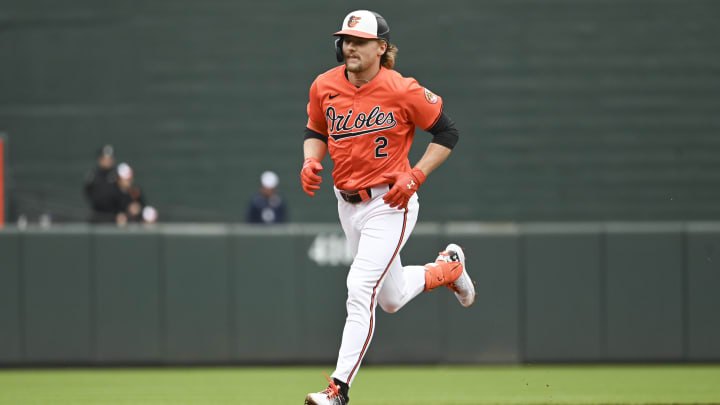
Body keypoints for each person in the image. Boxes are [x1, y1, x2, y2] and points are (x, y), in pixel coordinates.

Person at [300, 10, 476, 405]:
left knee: (359, 287)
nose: (350, 47)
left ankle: (337, 390)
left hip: (390, 201)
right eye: (346, 40)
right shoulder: (324, 85)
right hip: (346, 202)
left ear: (382, 47)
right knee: (391, 297)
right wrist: (310, 160)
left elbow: (447, 131)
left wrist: (416, 175)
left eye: (359, 41)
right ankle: (448, 268)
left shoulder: (402, 88)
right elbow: (315, 130)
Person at [83, 144, 121, 223]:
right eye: (105, 158)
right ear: (100, 159)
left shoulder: (117, 175)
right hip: (97, 215)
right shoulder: (93, 176)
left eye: (110, 158)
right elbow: (88, 192)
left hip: (114, 216)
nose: (108, 161)